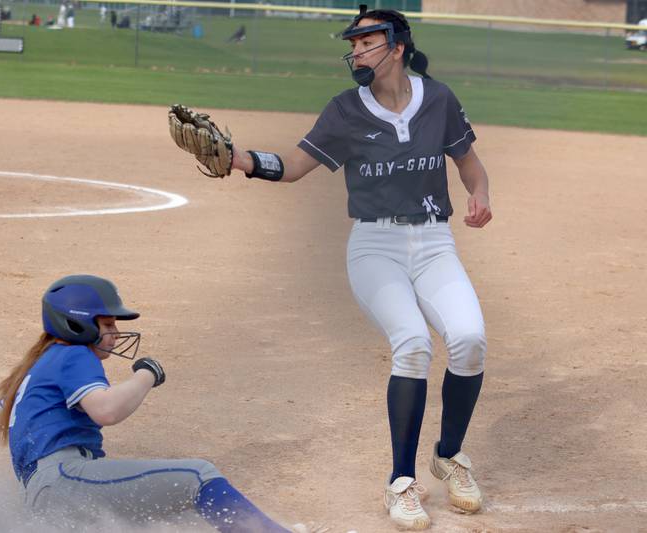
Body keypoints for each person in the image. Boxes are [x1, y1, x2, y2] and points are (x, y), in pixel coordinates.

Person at [192, 6, 491, 530]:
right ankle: (401, 483)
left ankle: (448, 454)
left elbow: (468, 163)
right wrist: (241, 160)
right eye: (352, 44)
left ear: (396, 47)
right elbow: (292, 168)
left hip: (434, 241)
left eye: (366, 42)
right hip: (375, 246)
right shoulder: (345, 110)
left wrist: (480, 195)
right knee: (414, 345)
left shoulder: (438, 99)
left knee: (469, 340)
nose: (355, 51)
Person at [0, 274, 321, 533]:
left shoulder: (34, 369)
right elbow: (106, 410)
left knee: (172, 513)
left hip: (45, 497)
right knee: (198, 476)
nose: (115, 334)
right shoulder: (74, 355)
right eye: (108, 324)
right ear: (78, 325)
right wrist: (146, 374)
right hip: (68, 481)